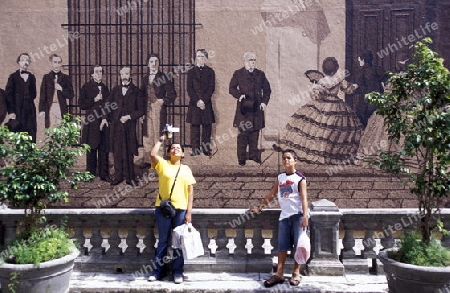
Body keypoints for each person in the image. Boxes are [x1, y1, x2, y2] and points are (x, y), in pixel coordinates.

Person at [278, 57, 363, 164]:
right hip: (336, 106)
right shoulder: (340, 80)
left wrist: (314, 88)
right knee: (335, 131)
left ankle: (320, 155)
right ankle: (333, 155)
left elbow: (315, 96)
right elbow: (349, 90)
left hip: (322, 105)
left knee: (317, 131)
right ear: (336, 69)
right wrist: (356, 85)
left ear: (324, 69)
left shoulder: (321, 81)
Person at [248, 149, 308, 288]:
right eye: (284, 158)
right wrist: (259, 208)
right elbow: (271, 194)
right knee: (282, 247)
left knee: (298, 247)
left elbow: (304, 199)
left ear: (295, 161)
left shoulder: (300, 179)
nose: (286, 161)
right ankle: (279, 273)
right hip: (284, 217)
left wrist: (305, 216)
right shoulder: (280, 178)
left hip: (298, 216)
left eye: (289, 158)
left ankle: (296, 272)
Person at [148, 133, 196, 284]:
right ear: (169, 153)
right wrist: (162, 139)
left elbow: (190, 192)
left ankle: (177, 272)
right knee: (162, 241)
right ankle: (157, 271)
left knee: (178, 242)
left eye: (178, 148)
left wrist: (189, 212)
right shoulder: (163, 164)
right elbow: (152, 154)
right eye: (172, 148)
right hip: (162, 209)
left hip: (180, 209)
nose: (175, 149)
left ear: (182, 154)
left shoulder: (186, 169)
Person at [229, 51, 271, 166]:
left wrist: (264, 102)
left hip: (257, 109)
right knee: (243, 134)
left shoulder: (260, 74)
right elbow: (231, 88)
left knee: (255, 133)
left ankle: (254, 156)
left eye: (254, 60)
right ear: (245, 61)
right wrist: (239, 95)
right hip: (244, 109)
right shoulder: (238, 73)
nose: (252, 63)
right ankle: (241, 158)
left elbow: (267, 90)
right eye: (250, 60)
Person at [139, 53, 177, 168]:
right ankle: (147, 159)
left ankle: (159, 158)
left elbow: (172, 94)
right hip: (147, 109)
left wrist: (162, 101)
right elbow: (141, 96)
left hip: (159, 109)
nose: (154, 64)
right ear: (147, 64)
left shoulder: (164, 77)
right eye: (151, 62)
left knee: (159, 133)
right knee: (148, 133)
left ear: (159, 64)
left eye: (156, 62)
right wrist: (141, 113)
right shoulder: (145, 79)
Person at [108, 67, 143, 185]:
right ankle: (118, 176)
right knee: (117, 151)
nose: (124, 76)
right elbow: (108, 106)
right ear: (119, 75)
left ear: (130, 75)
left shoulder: (136, 91)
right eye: (122, 73)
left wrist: (129, 117)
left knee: (129, 151)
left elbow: (140, 110)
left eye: (126, 73)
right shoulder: (115, 90)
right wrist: (106, 119)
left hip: (129, 126)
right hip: (116, 125)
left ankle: (130, 178)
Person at [79, 65, 110, 181]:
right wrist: (94, 100)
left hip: (103, 121)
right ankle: (90, 173)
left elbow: (109, 105)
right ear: (92, 74)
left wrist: (105, 118)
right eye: (96, 72)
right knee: (91, 147)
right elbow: (81, 104)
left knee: (104, 148)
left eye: (101, 72)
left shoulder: (105, 88)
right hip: (92, 121)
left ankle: (104, 174)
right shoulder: (86, 87)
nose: (99, 74)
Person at [186, 49, 216, 156]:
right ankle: (195, 149)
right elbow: (189, 89)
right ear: (195, 58)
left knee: (207, 127)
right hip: (195, 104)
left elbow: (211, 88)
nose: (200, 59)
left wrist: (203, 100)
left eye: (203, 56)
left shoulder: (210, 72)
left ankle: (206, 149)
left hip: (206, 103)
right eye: (198, 56)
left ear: (206, 58)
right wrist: (197, 101)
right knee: (195, 127)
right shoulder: (191, 72)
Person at [5, 53, 37, 142]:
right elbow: (8, 95)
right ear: (18, 62)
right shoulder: (13, 77)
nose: (25, 62)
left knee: (31, 132)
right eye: (23, 60)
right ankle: (20, 155)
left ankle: (31, 154)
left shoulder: (32, 77)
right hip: (18, 110)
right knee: (19, 133)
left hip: (30, 109)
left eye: (27, 60)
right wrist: (11, 111)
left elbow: (34, 94)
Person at [39, 54, 74, 128]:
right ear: (51, 63)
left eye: (59, 62)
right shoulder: (46, 77)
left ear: (61, 64)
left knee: (61, 130)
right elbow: (42, 95)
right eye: (55, 62)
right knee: (50, 129)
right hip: (50, 106)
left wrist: (61, 89)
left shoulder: (66, 78)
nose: (57, 65)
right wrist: (42, 109)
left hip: (61, 106)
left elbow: (71, 95)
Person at [354, 50, 387, 127]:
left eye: (360, 61)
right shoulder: (378, 69)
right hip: (379, 101)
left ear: (363, 60)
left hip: (366, 102)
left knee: (363, 119)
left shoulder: (361, 72)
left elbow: (359, 88)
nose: (359, 63)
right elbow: (384, 84)